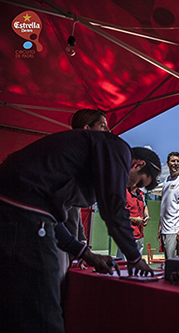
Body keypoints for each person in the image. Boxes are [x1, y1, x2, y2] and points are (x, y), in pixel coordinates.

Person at [0, 129, 160, 333]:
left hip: (12, 214)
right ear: (138, 164)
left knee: (12, 311)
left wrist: (85, 253)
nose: (133, 188)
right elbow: (113, 207)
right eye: (138, 182)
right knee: (44, 315)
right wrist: (135, 257)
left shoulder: (64, 172)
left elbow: (52, 220)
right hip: (21, 216)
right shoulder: (118, 148)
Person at [58, 108, 112, 280]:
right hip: (53, 240)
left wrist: (80, 243)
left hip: (66, 243)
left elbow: (74, 212)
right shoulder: (70, 158)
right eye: (103, 126)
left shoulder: (82, 158)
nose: (108, 131)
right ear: (88, 129)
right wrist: (78, 248)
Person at [117, 187, 150, 260]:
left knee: (137, 265)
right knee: (125, 265)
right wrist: (134, 219)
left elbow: (145, 206)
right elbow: (118, 214)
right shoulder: (123, 193)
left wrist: (147, 216)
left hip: (140, 235)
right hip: (127, 236)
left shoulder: (140, 194)